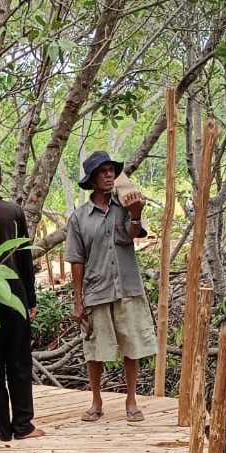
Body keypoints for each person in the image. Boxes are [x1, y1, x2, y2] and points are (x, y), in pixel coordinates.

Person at [65, 150, 155, 423]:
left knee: (131, 344)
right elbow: (77, 260)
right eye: (102, 172)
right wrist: (78, 301)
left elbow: (130, 236)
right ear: (92, 180)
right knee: (95, 349)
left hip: (127, 286)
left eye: (111, 171)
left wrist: (136, 214)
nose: (108, 175)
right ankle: (96, 401)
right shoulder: (80, 218)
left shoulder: (126, 205)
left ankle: (131, 400)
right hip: (97, 288)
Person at [0, 155, 43, 441]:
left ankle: (3, 428)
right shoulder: (13, 211)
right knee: (19, 360)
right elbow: (25, 258)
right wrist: (31, 300)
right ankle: (23, 426)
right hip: (14, 297)